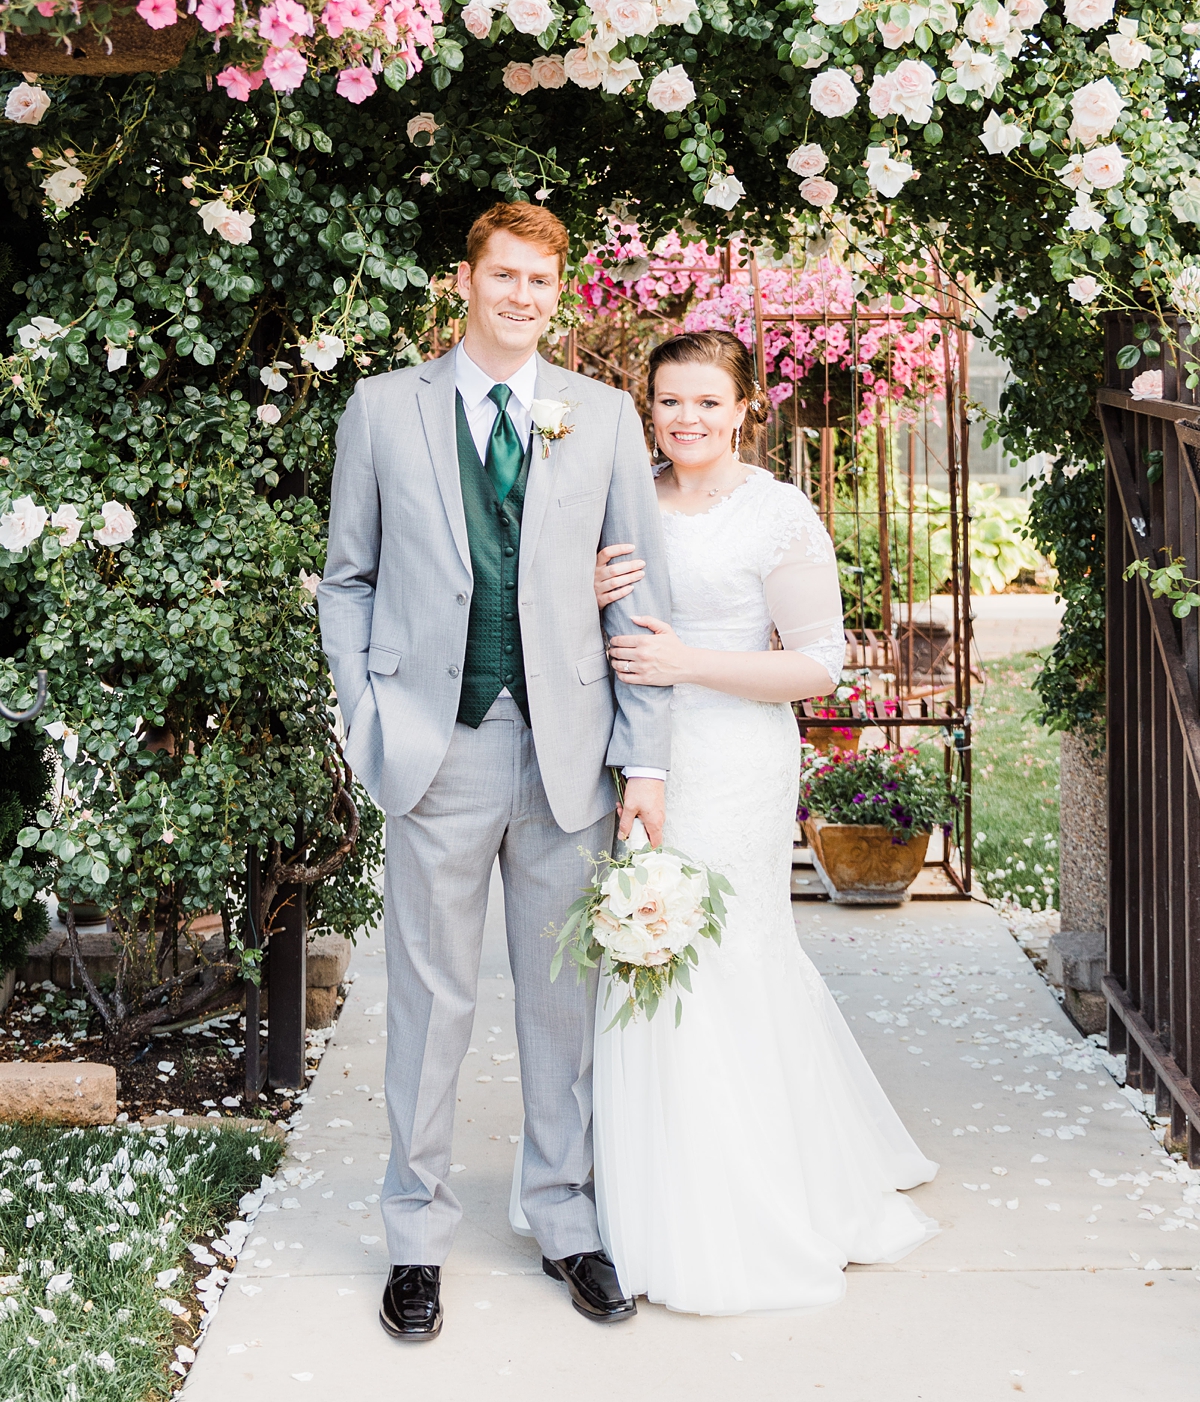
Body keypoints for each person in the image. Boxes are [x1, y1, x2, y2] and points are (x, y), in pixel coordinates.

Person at [318, 201, 672, 1342]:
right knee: (429, 1000)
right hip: (439, 747)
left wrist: (641, 753)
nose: (524, 297)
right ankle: (416, 1238)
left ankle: (565, 1219)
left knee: (562, 1003)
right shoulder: (383, 410)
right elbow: (348, 578)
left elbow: (638, 600)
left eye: (543, 282)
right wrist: (370, 713)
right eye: (505, 276)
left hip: (566, 753)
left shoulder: (604, 417)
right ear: (464, 280)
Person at [589, 328, 939, 1315]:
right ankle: (643, 1189)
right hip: (643, 758)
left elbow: (818, 667)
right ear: (646, 405)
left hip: (736, 755)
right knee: (641, 952)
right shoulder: (624, 507)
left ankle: (746, 1192)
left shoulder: (779, 515)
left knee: (728, 953)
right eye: (668, 401)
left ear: (746, 407)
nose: (686, 419)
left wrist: (689, 661)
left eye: (706, 401)